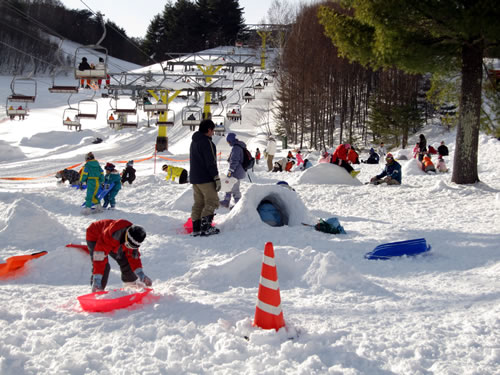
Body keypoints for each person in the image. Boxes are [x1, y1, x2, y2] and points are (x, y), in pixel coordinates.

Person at [86, 219, 152, 292]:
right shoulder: (110, 236)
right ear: (125, 237)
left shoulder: (134, 235)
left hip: (116, 241)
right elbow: (99, 258)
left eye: (132, 247)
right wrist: (97, 278)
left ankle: (130, 285)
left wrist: (141, 274)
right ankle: (97, 289)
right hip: (95, 235)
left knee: (125, 260)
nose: (129, 248)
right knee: (105, 267)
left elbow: (133, 256)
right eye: (128, 245)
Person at [189, 119, 221, 236]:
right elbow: (210, 162)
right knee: (212, 201)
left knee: (199, 203)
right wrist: (216, 177)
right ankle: (206, 227)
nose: (213, 133)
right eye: (213, 130)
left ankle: (196, 228)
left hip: (195, 178)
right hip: (206, 178)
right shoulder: (207, 142)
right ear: (208, 130)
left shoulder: (194, 142)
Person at [220, 133, 246, 208]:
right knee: (229, 184)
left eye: (228, 141)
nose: (228, 143)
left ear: (230, 140)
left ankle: (238, 206)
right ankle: (226, 201)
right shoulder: (237, 146)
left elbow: (234, 161)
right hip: (238, 170)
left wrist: (230, 171)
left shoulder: (236, 148)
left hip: (236, 171)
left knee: (235, 188)